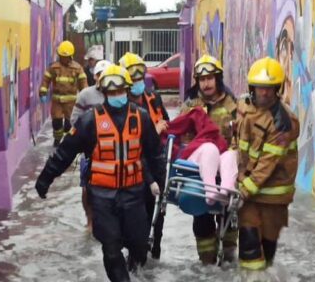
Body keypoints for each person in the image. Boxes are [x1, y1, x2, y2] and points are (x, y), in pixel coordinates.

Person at [34, 65, 166, 282]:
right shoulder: (89, 121)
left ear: (127, 90)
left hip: (134, 193)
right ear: (103, 93)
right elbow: (65, 152)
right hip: (103, 197)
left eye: (120, 91)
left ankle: (135, 269)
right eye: (111, 92)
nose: (117, 96)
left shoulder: (141, 118)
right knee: (111, 247)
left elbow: (156, 155)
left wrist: (161, 186)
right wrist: (45, 180)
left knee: (139, 246)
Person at [235, 57, 299, 271]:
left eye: (270, 88)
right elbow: (238, 140)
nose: (265, 93)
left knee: (267, 250)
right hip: (250, 190)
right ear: (252, 87)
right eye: (260, 88)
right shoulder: (245, 105)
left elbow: (266, 164)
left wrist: (244, 190)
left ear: (277, 88)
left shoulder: (283, 122)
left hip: (272, 195)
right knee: (249, 245)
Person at [179, 54, 239, 264]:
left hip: (226, 170)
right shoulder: (190, 107)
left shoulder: (233, 105)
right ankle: (207, 265)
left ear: (218, 78)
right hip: (200, 173)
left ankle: (229, 260)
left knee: (231, 218)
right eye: (202, 79)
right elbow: (183, 143)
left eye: (210, 78)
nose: (206, 83)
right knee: (202, 218)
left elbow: (241, 139)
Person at [119, 52, 169, 259]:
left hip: (157, 163)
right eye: (134, 77)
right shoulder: (121, 107)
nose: (139, 81)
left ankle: (155, 251)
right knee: (137, 218)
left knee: (159, 213)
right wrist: (153, 131)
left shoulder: (153, 98)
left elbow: (166, 121)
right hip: (135, 169)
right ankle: (136, 258)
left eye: (141, 76)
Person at [70, 59, 112, 231]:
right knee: (86, 188)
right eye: (99, 75)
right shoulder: (85, 95)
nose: (102, 79)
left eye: (106, 75)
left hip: (112, 150)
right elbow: (74, 120)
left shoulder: (118, 94)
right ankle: (90, 220)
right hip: (90, 151)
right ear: (94, 76)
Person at [39, 40, 88, 147]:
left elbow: (83, 82)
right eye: (61, 56)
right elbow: (46, 79)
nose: (63, 58)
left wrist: (85, 96)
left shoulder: (77, 68)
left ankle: (68, 141)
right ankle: (57, 140)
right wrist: (43, 91)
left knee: (69, 124)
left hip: (71, 102)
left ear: (71, 56)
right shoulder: (54, 67)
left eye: (65, 56)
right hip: (57, 101)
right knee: (56, 123)